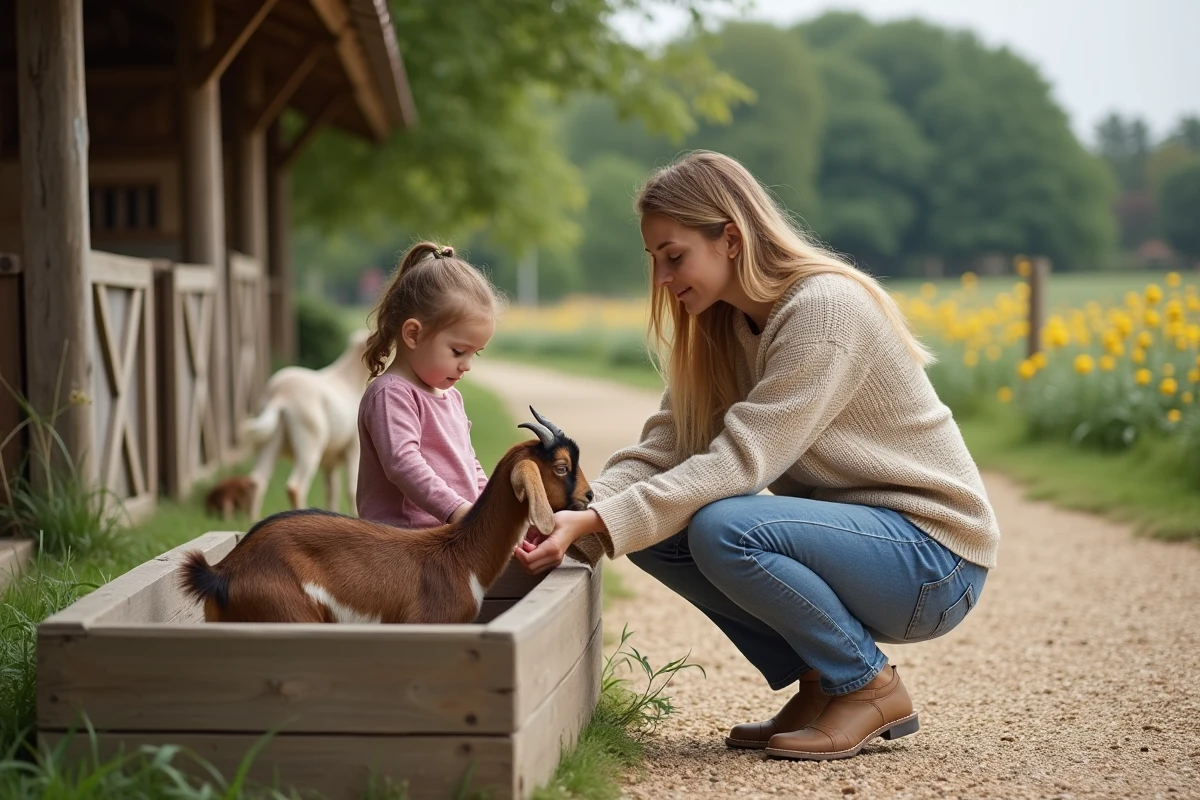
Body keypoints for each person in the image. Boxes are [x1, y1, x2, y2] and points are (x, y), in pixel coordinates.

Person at [512, 151, 1000, 762]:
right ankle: (823, 680)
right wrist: (578, 515)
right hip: (861, 546)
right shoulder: (723, 328)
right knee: (652, 530)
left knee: (721, 526)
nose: (662, 278)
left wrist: (601, 519)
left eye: (674, 256)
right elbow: (663, 449)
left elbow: (743, 462)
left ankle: (869, 686)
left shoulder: (824, 310)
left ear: (732, 239)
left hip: (933, 560)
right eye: (655, 261)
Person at [356, 241, 503, 529]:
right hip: (404, 545)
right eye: (458, 351)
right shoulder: (391, 394)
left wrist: (490, 511)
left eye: (476, 353)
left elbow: (469, 464)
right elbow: (404, 464)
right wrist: (459, 512)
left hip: (446, 539)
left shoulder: (452, 397)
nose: (467, 365)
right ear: (413, 334)